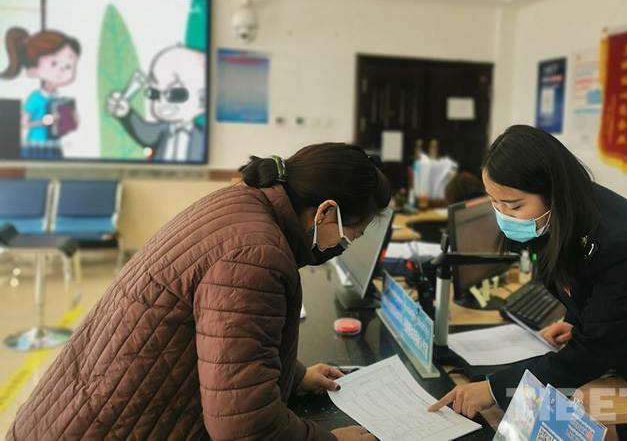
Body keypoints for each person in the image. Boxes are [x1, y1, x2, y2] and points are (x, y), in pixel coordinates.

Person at [8, 143, 387, 441]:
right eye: (350, 236)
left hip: (69, 415)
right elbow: (243, 427)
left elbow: (224, 343)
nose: (344, 246)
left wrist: (293, 375)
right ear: (325, 212)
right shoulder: (257, 257)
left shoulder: (242, 203)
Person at [429, 125, 627, 440]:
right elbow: (583, 278)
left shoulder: (625, 245)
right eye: (494, 202)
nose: (503, 214)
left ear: (553, 192)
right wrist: (578, 320)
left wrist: (493, 389)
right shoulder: (568, 212)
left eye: (513, 206)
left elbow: (591, 353)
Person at [105, 44, 207, 162]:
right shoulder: (163, 131)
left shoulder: (204, 137)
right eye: (154, 93)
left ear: (202, 100)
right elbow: (144, 133)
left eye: (174, 94)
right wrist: (127, 113)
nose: (162, 101)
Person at [2, 27, 81, 159]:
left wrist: (72, 119)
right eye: (54, 64)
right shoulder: (36, 97)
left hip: (54, 146)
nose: (62, 70)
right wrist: (43, 122)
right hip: (36, 147)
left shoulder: (59, 99)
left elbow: (67, 125)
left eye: (68, 66)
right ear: (33, 70)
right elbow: (23, 124)